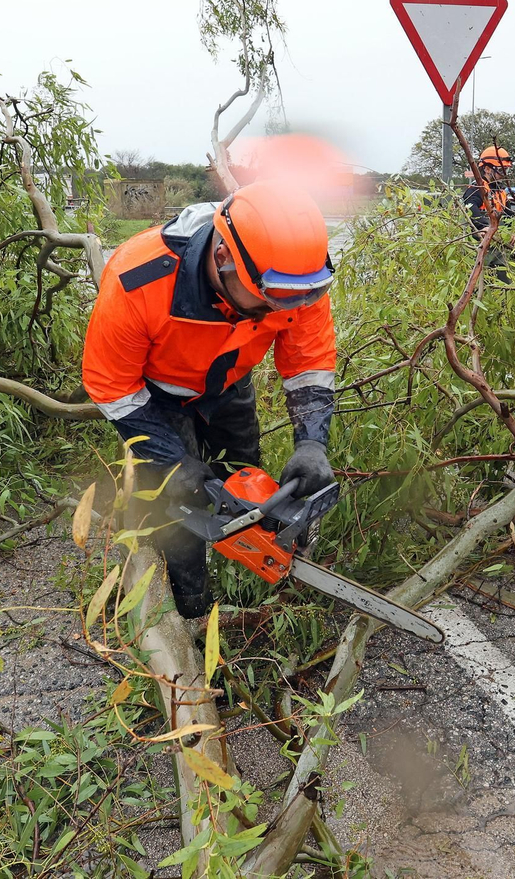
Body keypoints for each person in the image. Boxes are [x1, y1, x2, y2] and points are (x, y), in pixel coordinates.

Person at [81, 181, 338, 619]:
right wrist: (168, 458)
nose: (281, 309)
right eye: (267, 299)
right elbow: (112, 385)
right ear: (222, 258)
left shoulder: (294, 278)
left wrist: (312, 442)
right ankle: (191, 608)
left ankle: (258, 594)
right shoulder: (138, 277)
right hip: (156, 396)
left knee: (244, 478)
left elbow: (308, 365)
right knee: (178, 502)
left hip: (229, 382)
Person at [462, 145, 513, 231]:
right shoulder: (476, 189)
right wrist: (483, 227)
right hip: (479, 241)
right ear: (487, 169)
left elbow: (510, 216)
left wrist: (514, 231)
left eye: (506, 170)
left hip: (499, 240)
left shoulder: (501, 192)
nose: (504, 174)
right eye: (501, 170)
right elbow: (470, 207)